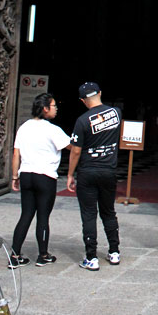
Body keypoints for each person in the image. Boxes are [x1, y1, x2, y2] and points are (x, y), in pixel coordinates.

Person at [9, 92, 70, 266]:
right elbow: (72, 147)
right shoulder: (52, 129)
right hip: (45, 176)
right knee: (43, 216)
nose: (56, 109)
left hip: (26, 174)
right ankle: (43, 255)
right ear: (45, 109)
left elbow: (16, 154)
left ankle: (14, 256)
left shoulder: (24, 127)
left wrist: (15, 176)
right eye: (53, 106)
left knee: (26, 214)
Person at [66, 81, 121, 271]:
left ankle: (91, 256)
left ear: (82, 101)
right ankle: (114, 251)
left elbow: (75, 151)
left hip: (88, 171)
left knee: (89, 214)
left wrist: (70, 174)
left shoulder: (82, 121)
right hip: (109, 170)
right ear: (100, 92)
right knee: (108, 211)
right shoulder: (116, 113)